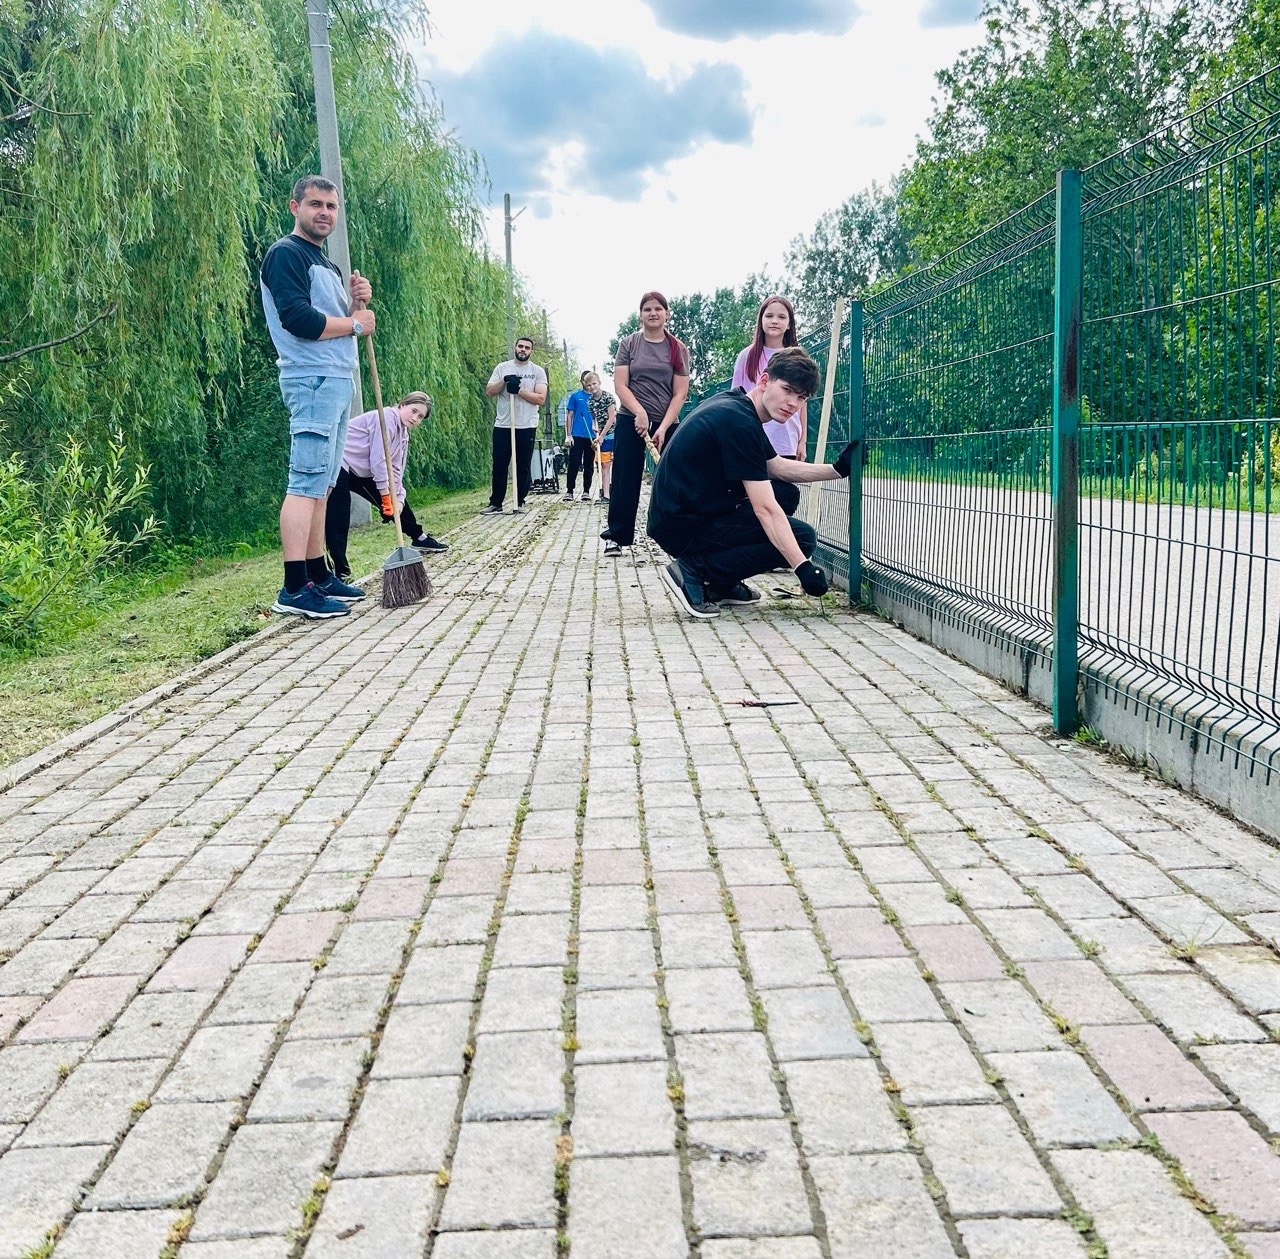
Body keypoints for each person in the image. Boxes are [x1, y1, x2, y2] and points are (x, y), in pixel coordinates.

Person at [647, 347, 854, 620]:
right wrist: (802, 567)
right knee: (801, 537)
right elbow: (765, 509)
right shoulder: (740, 422)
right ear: (765, 380)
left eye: (801, 397)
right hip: (682, 525)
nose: (793, 403)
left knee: (785, 494)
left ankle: (721, 583)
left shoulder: (738, 406)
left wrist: (837, 470)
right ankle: (693, 570)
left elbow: (775, 466)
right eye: (787, 390)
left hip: (681, 515)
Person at [260, 175, 374, 618]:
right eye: (315, 204)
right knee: (305, 481)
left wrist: (356, 304)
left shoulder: (324, 264)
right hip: (310, 379)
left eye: (331, 206)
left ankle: (317, 572)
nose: (324, 212)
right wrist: (358, 323)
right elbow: (301, 321)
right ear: (295, 207)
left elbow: (336, 322)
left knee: (324, 483)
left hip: (337, 377)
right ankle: (293, 588)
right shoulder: (286, 254)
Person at [600, 292, 689, 556]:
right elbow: (620, 385)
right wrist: (639, 412)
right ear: (640, 315)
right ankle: (617, 535)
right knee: (625, 476)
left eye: (658, 309)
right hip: (631, 418)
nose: (653, 313)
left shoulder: (678, 348)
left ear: (667, 314)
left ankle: (675, 536)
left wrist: (663, 427)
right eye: (647, 309)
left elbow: (680, 393)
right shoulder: (629, 344)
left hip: (666, 421)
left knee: (672, 479)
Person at [324, 390, 447, 580]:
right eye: (413, 411)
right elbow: (378, 460)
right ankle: (340, 571)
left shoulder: (403, 435)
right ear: (402, 405)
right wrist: (385, 496)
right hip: (339, 460)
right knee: (339, 514)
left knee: (395, 500)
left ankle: (419, 537)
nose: (415, 418)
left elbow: (395, 472)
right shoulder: (386, 418)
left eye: (420, 416)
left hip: (362, 469)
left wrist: (397, 500)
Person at [732, 295, 806, 515]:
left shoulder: (797, 357)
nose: (775, 321)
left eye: (781, 317)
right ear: (761, 320)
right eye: (769, 315)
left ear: (789, 323)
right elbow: (737, 398)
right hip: (754, 437)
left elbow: (803, 402)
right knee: (753, 499)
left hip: (785, 440)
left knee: (784, 497)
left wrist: (802, 440)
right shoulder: (747, 356)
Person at [482, 335, 547, 514]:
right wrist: (504, 381)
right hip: (503, 424)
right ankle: (496, 503)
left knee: (523, 465)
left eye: (527, 347)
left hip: (526, 425)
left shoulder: (537, 371)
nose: (523, 350)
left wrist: (519, 390)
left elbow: (540, 398)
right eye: (520, 346)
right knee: (500, 464)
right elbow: (489, 391)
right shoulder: (502, 368)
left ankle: (519, 501)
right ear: (515, 347)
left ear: (531, 351)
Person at [562, 371, 596, 501]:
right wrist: (568, 435)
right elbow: (569, 415)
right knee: (574, 463)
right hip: (577, 435)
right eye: (586, 381)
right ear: (582, 381)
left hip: (592, 436)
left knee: (589, 464)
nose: (589, 384)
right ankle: (569, 491)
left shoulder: (596, 397)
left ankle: (586, 491)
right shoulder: (575, 396)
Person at [584, 372, 616, 502]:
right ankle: (606, 494)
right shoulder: (590, 402)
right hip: (601, 436)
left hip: (614, 434)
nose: (592, 387)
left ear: (599, 383)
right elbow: (593, 418)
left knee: (616, 464)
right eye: (589, 385)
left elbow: (612, 417)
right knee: (604, 465)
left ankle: (616, 492)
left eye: (594, 384)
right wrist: (593, 426)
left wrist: (602, 435)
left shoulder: (608, 397)